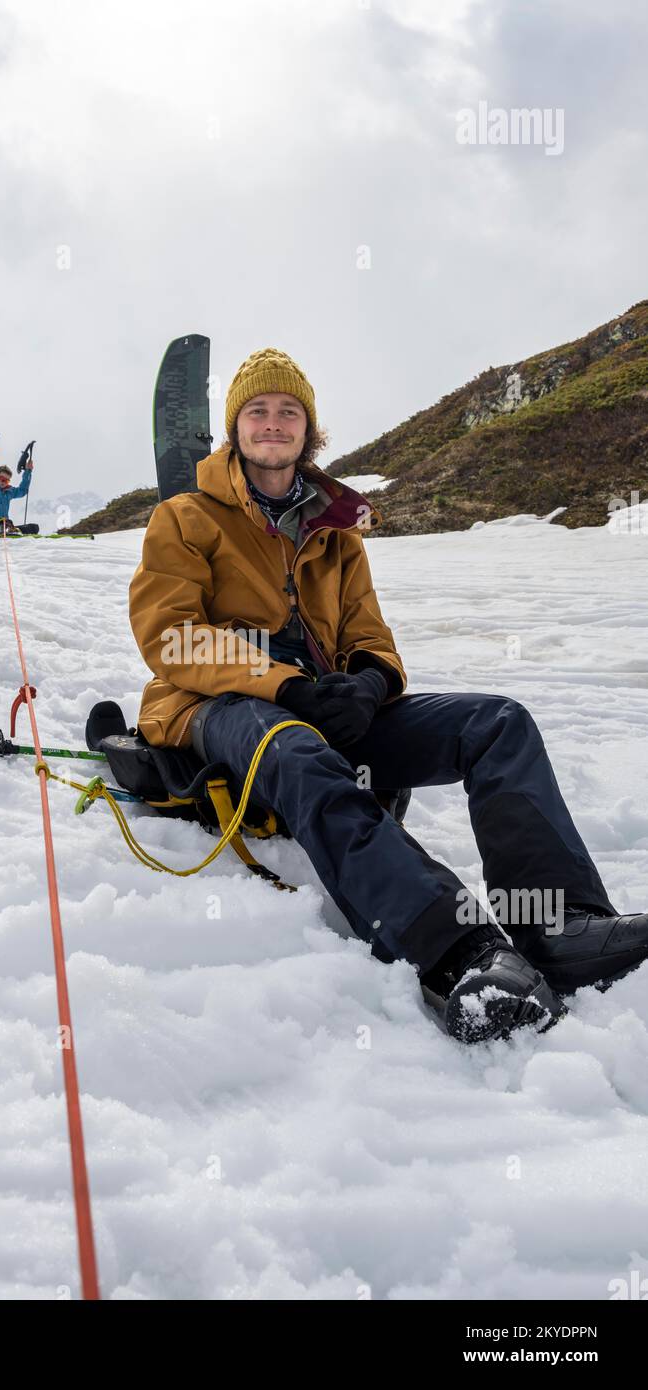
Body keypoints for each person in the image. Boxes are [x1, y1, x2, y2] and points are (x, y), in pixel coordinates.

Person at [128, 347, 648, 1044]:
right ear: (235, 428)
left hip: (325, 703)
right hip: (217, 707)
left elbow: (370, 634)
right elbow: (173, 637)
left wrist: (370, 684)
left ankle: (558, 924)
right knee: (299, 753)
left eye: (289, 411)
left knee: (497, 723)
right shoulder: (186, 518)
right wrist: (286, 687)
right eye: (258, 410)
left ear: (308, 431)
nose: (273, 423)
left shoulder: (338, 536)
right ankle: (456, 953)